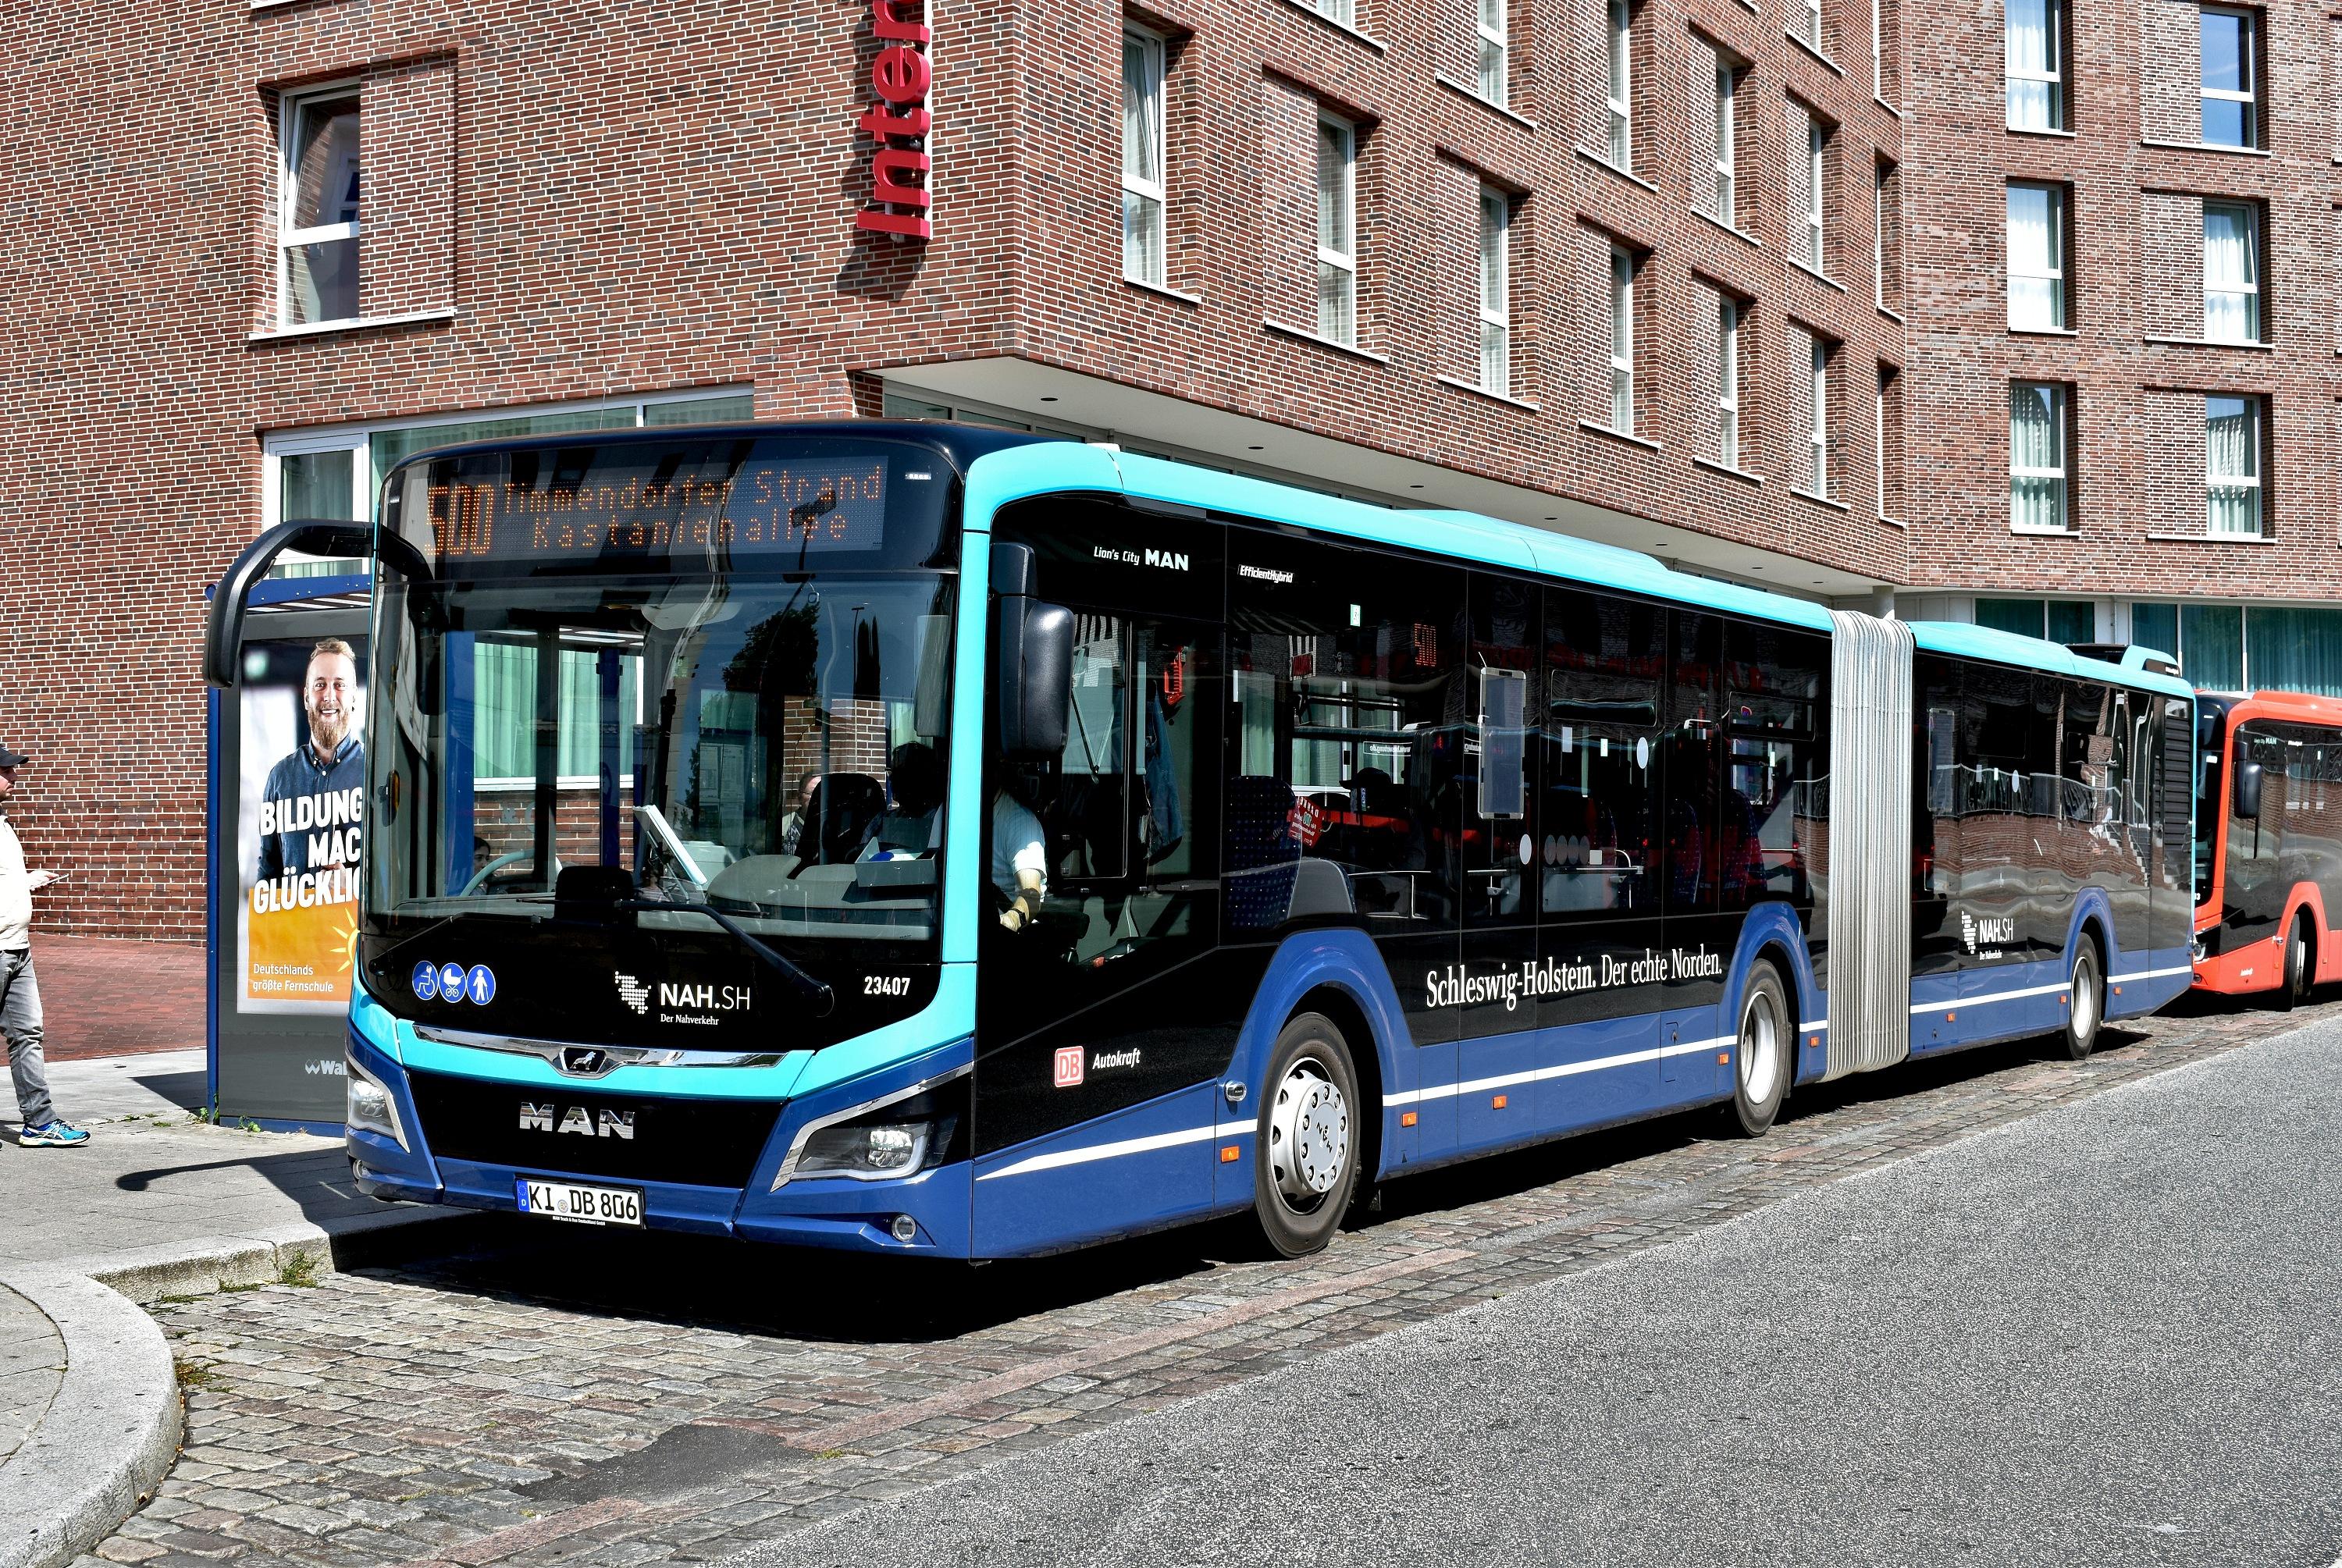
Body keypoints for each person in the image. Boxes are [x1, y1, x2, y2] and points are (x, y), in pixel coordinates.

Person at [0, 744, 87, 1147]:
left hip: (18, 949)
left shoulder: (3, 821)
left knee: (28, 1033)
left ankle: (39, 1122)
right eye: (5, 771)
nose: (13, 777)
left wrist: (27, 880)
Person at [255, 638, 365, 885]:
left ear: (354, 697)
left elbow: (394, 877)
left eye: (339, 685)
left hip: (356, 924)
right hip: (295, 925)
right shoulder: (280, 777)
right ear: (306, 698)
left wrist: (354, 885)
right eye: (319, 685)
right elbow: (268, 875)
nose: (329, 695)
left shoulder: (376, 774)